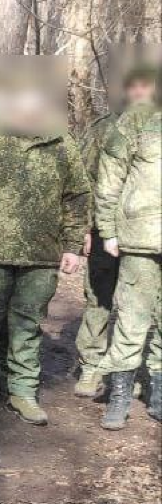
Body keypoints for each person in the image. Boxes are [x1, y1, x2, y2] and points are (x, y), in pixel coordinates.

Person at [0, 120, 89, 425]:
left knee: (28, 325)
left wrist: (72, 245)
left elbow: (77, 196)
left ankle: (22, 391)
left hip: (42, 255)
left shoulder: (61, 143)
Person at [75, 65, 159, 397]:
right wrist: (84, 228)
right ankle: (92, 366)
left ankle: (128, 371)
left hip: (144, 235)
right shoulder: (102, 130)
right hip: (103, 231)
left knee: (141, 306)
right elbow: (83, 183)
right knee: (99, 299)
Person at [95, 77, 162, 429]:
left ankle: (158, 396)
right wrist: (107, 229)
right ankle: (119, 395)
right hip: (141, 238)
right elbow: (110, 177)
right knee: (132, 320)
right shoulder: (137, 119)